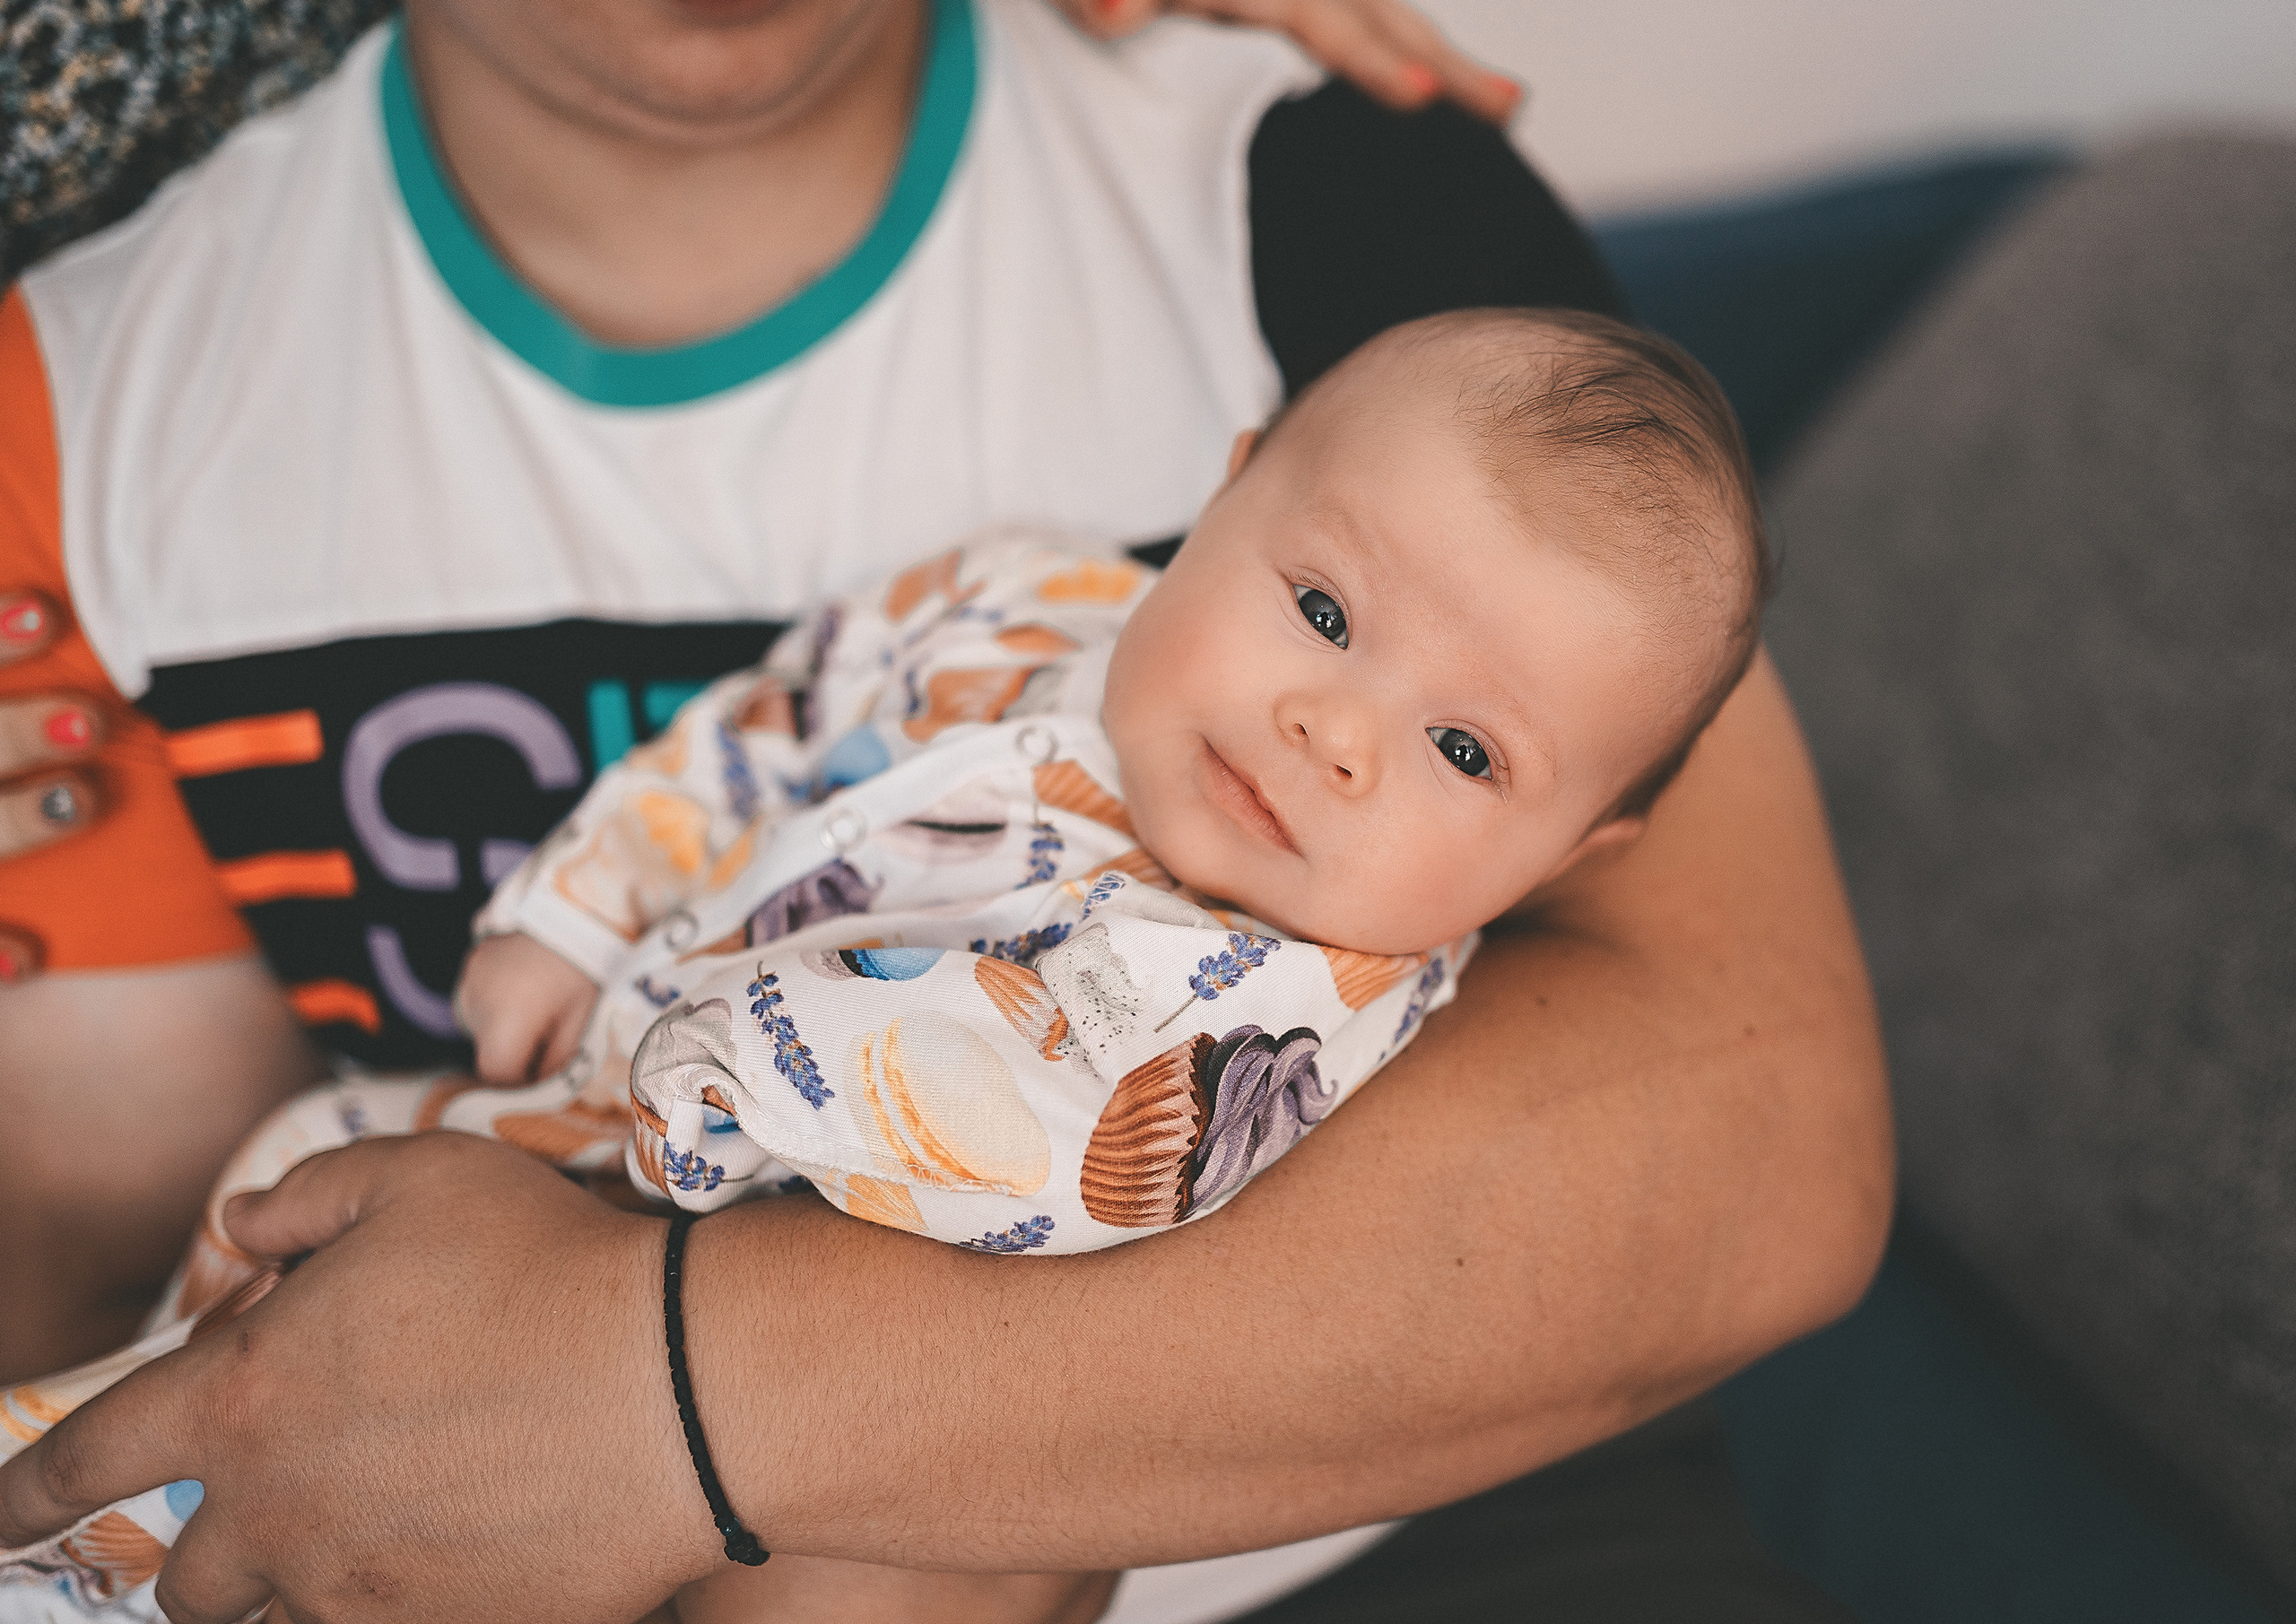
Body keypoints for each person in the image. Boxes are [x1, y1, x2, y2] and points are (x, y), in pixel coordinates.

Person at [0, 0, 1891, 1618]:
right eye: (1317, 611)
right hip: (455, 1338)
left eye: (1458, 750)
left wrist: (660, 1387)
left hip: (1363, 1535)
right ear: (1232, 489)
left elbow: (1763, 1134)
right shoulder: (97, 393)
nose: (1334, 732)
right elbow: (106, 1245)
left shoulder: (1319, 185)